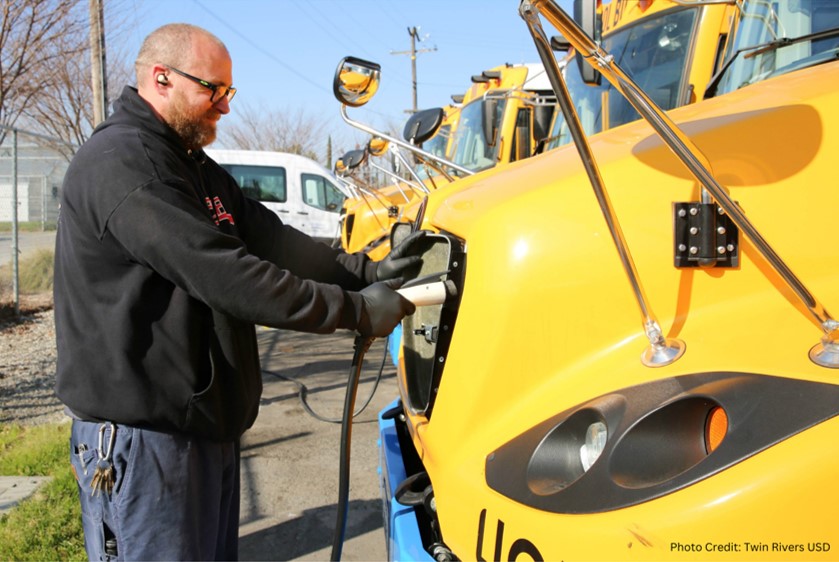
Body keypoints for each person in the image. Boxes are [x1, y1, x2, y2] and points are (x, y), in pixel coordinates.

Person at [54, 23, 421, 561]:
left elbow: (273, 241)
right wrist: (356, 312)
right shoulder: (124, 166)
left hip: (201, 435)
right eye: (214, 89)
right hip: (145, 444)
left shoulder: (189, 164)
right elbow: (227, 273)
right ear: (162, 78)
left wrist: (367, 270)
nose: (224, 106)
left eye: (230, 92)